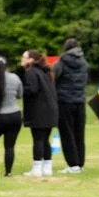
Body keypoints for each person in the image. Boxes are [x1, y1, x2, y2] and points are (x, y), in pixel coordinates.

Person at [20, 49, 59, 178]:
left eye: (24, 57)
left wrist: (20, 90)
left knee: (38, 139)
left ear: (31, 60)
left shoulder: (31, 72)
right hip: (50, 110)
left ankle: (37, 168)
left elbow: (32, 90)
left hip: (38, 111)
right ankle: (47, 167)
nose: (22, 60)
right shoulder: (46, 72)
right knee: (45, 140)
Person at [52, 38, 88, 172]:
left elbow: (53, 79)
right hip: (80, 101)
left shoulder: (60, 63)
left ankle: (72, 164)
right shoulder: (84, 63)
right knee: (79, 133)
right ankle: (80, 162)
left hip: (64, 101)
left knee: (67, 133)